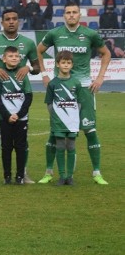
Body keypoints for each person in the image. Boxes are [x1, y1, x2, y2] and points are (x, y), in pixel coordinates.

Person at [36, 2, 111, 184]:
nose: (71, 15)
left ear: (80, 15)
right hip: (60, 89)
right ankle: (48, 172)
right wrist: (45, 74)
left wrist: (100, 78)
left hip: (84, 87)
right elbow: (38, 51)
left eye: (74, 12)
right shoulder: (55, 33)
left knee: (90, 130)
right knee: (56, 132)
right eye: (68, 12)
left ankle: (97, 173)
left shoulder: (90, 34)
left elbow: (106, 53)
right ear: (64, 15)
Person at [0, 8, 40, 183]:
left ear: (18, 21)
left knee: (21, 138)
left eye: (14, 19)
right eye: (7, 19)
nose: (11, 21)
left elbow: (37, 68)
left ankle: (24, 173)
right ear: (2, 23)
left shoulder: (28, 43)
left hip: (19, 98)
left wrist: (28, 68)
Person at [0, 46, 34, 185]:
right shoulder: (0, 75)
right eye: (10, 56)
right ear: (4, 59)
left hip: (21, 119)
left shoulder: (23, 74)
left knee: (21, 147)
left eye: (16, 56)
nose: (14, 58)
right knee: (6, 147)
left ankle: (20, 176)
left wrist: (19, 114)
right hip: (5, 119)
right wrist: (7, 115)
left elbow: (28, 96)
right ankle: (7, 176)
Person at [45, 51, 84, 186]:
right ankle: (62, 177)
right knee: (60, 146)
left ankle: (70, 177)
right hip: (58, 122)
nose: (66, 65)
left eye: (68, 63)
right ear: (57, 64)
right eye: (63, 63)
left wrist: (71, 117)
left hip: (72, 122)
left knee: (71, 146)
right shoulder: (52, 84)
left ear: (72, 65)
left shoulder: (76, 83)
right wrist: (58, 117)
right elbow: (49, 104)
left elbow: (79, 103)